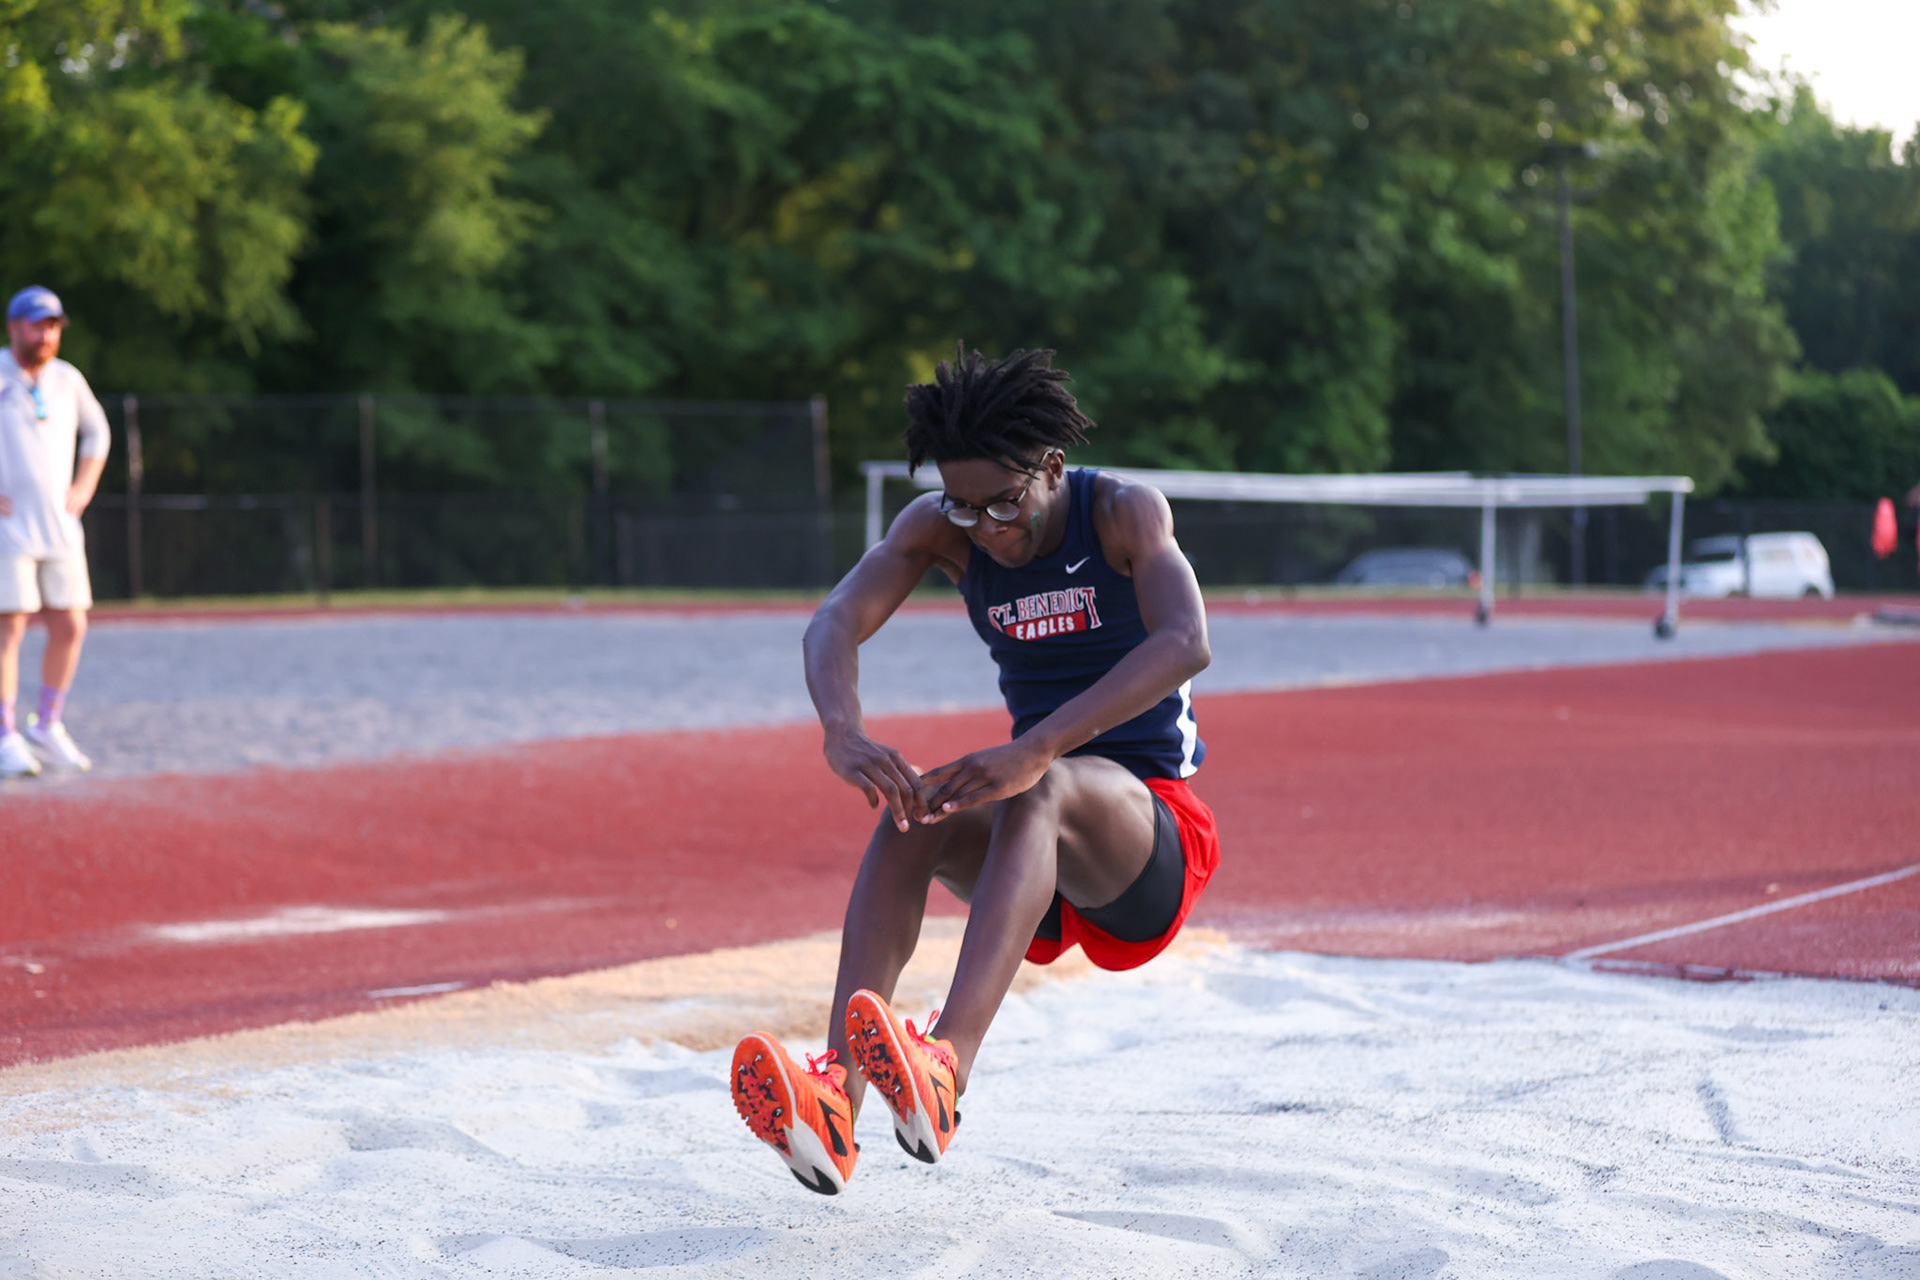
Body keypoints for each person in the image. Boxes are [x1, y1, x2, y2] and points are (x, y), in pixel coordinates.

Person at [730, 345, 1219, 1194]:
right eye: (965, 508)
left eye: (1005, 503)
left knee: (1046, 785)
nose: (988, 528)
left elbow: (1187, 642)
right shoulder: (940, 529)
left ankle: (945, 1068)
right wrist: (841, 730)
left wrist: (1037, 746)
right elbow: (835, 620)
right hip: (1033, 853)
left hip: (1147, 840)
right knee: (915, 809)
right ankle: (836, 1097)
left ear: (1052, 468)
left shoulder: (1123, 514)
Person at [0, 286, 108, 777]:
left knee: (71, 624)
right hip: (9, 529)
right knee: (10, 627)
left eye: (53, 326)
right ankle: (5, 734)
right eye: (37, 325)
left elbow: (98, 432)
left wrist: (83, 486)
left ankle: (47, 723)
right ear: (14, 327)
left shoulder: (67, 379)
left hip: (60, 528)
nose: (45, 335)